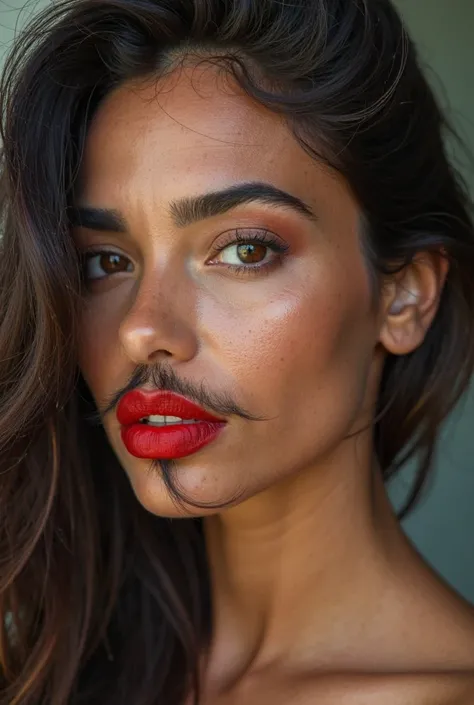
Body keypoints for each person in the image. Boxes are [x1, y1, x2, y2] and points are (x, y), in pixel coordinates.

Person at [1, 0, 474, 703]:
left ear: (402, 296)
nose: (142, 328)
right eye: (105, 261)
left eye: (244, 249)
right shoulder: (51, 669)